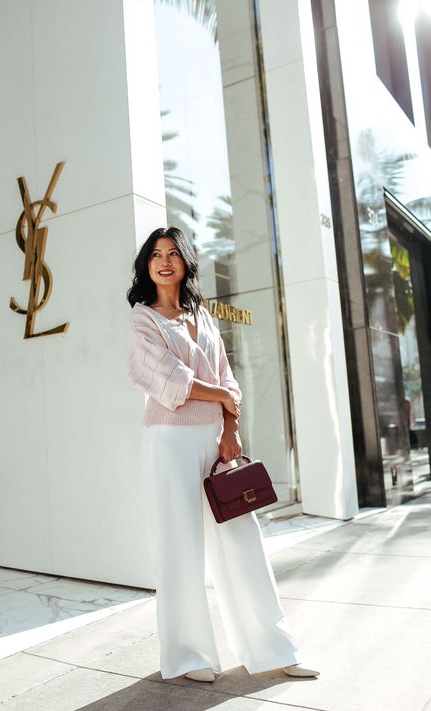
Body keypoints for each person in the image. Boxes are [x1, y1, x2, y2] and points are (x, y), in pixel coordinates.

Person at [126, 226, 319, 682]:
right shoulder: (142, 318)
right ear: (146, 265)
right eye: (155, 254)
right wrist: (223, 399)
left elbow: (229, 380)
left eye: (173, 253)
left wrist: (231, 427)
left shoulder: (203, 315)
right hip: (169, 443)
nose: (164, 261)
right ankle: (189, 656)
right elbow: (169, 380)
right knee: (180, 548)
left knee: (243, 543)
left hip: (215, 442)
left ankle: (275, 650)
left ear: (185, 262)